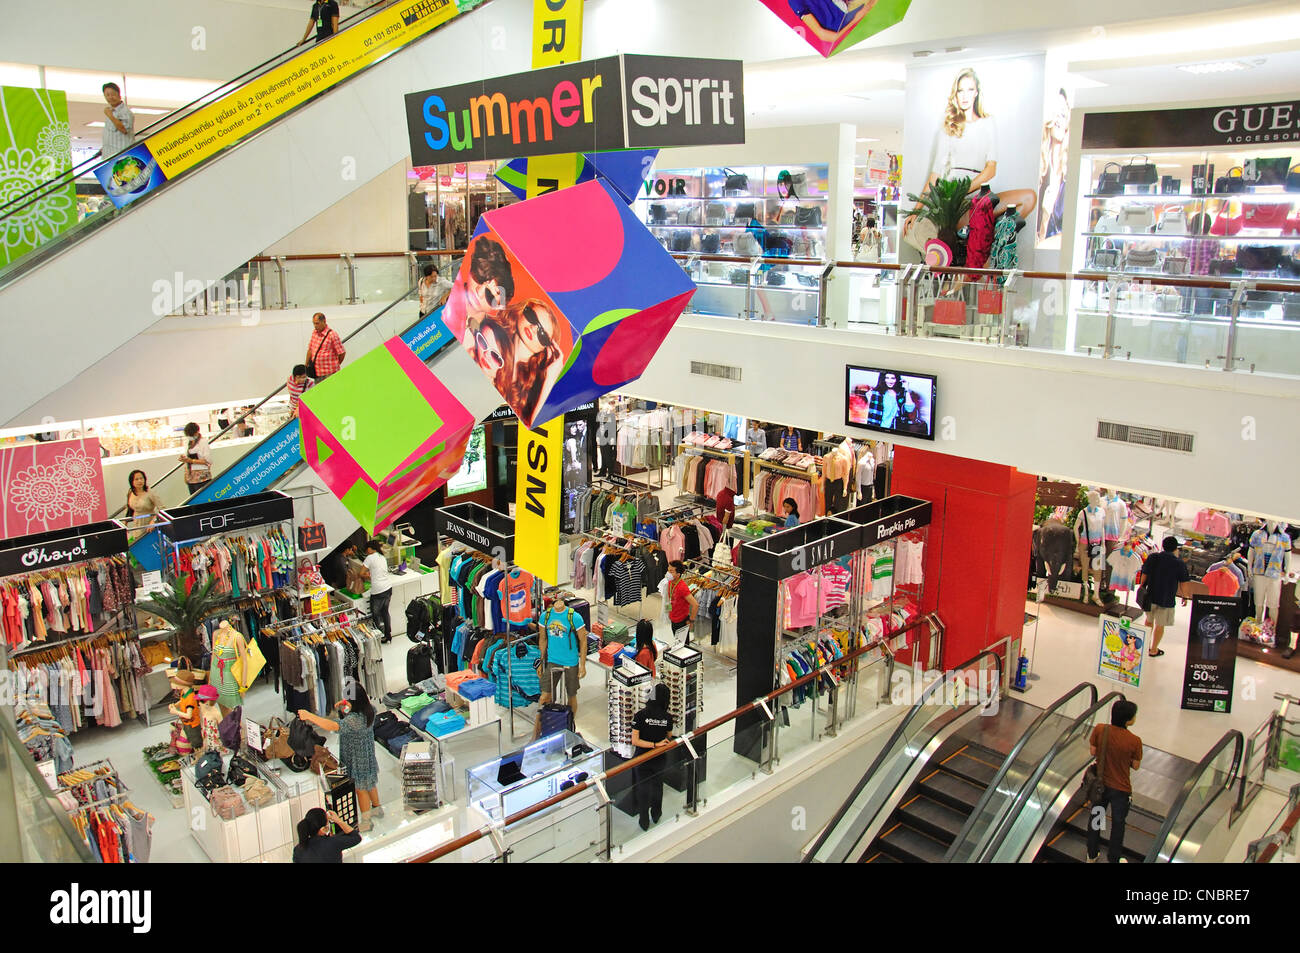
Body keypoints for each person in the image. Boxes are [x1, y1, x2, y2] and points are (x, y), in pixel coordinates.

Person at [906, 67, 1036, 236]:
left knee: (1028, 198)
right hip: (953, 202)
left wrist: (965, 189)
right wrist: (916, 210)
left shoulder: (988, 122)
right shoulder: (948, 127)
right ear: (955, 94)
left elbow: (991, 169)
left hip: (978, 196)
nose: (965, 96)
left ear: (976, 92)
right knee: (966, 218)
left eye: (970, 90)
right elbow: (935, 176)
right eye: (960, 91)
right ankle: (976, 235)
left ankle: (991, 239)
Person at [297, 679, 381, 831]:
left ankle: (366, 821)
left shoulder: (354, 720)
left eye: (348, 701)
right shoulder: (370, 710)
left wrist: (310, 716)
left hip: (356, 758)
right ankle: (377, 808)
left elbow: (334, 726)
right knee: (369, 782)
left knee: (360, 789)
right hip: (366, 754)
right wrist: (344, 706)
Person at [1086, 699, 1143, 863]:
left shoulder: (1100, 729)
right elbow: (1136, 766)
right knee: (1118, 824)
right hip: (1121, 790)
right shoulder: (1134, 741)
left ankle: (1092, 854)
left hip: (1100, 785)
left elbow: (1093, 751)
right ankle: (1114, 858)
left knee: (1097, 819)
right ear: (1128, 720)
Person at [536, 595, 589, 737]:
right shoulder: (545, 616)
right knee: (544, 697)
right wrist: (540, 661)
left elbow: (583, 641)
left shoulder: (574, 617)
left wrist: (582, 664)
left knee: (571, 694)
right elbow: (542, 639)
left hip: (570, 661)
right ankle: (538, 730)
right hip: (552, 660)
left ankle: (569, 724)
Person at [507, 298, 565, 425]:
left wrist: (550, 379)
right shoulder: (490, 336)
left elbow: (537, 426)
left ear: (548, 348)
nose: (533, 329)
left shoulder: (534, 389)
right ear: (522, 311)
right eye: (532, 316)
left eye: (542, 334)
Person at [630, 682, 674, 831]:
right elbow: (668, 737)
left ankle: (643, 820)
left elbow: (635, 741)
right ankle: (656, 814)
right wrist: (657, 744)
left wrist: (652, 745)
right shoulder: (667, 718)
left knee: (643, 789)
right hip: (659, 758)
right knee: (657, 786)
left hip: (642, 758)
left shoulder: (640, 716)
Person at [1139, 536, 1190, 657]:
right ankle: (1153, 649)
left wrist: (1141, 587)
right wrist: (1185, 596)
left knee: (1148, 621)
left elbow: (1144, 573)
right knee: (1160, 625)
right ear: (1176, 548)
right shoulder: (1179, 563)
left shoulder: (1153, 557)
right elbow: (1183, 583)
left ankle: (1145, 646)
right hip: (1166, 599)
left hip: (1150, 596)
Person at [1037, 87, 1070, 243]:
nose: (1058, 120)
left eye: (1063, 115)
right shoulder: (1041, 168)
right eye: (1056, 114)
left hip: (1056, 249)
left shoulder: (1069, 173)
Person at [786, 0, 876, 46]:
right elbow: (823, 35)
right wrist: (856, 19)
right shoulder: (795, 1)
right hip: (844, 22)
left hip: (846, 8)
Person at [293, 807, 361, 863]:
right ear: (323, 829)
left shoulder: (298, 850)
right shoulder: (332, 842)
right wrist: (338, 820)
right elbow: (356, 837)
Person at [359, 539, 393, 643]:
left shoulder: (369, 558)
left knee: (376, 614)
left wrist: (367, 576)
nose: (366, 552)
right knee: (385, 612)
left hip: (377, 590)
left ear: (370, 549)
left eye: (367, 550)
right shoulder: (382, 556)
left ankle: (378, 636)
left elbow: (361, 573)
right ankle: (388, 635)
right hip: (387, 588)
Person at [306, 312, 346, 381]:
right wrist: (306, 365)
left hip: (329, 373)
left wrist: (335, 366)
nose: (315, 326)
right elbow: (310, 349)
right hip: (317, 373)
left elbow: (342, 353)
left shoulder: (332, 335)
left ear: (324, 321)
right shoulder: (314, 333)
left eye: (317, 323)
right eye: (314, 323)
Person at [124, 469, 162, 538]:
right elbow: (129, 510)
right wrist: (125, 523)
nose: (140, 481)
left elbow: (162, 509)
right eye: (136, 479)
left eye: (141, 478)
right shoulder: (130, 492)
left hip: (149, 525)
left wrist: (154, 521)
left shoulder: (150, 492)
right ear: (132, 482)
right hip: (137, 526)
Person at [666, 561, 698, 645]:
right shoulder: (670, 582)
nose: (668, 573)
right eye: (668, 570)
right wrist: (669, 612)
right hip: (673, 618)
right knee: (677, 642)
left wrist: (691, 621)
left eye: (671, 571)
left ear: (678, 574)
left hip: (681, 621)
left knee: (683, 645)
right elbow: (669, 599)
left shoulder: (682, 587)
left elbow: (695, 605)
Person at [100, 82, 134, 158]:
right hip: (108, 155)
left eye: (113, 94)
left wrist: (110, 116)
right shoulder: (111, 111)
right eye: (107, 95)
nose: (110, 97)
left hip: (121, 156)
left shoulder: (125, 112)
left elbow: (124, 129)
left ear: (119, 95)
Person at [178, 423, 212, 495]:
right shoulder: (187, 442)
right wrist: (184, 459)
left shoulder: (203, 442)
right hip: (190, 476)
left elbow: (208, 461)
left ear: (196, 432)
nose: (190, 437)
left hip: (202, 476)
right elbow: (187, 459)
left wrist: (192, 461)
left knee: (203, 496)